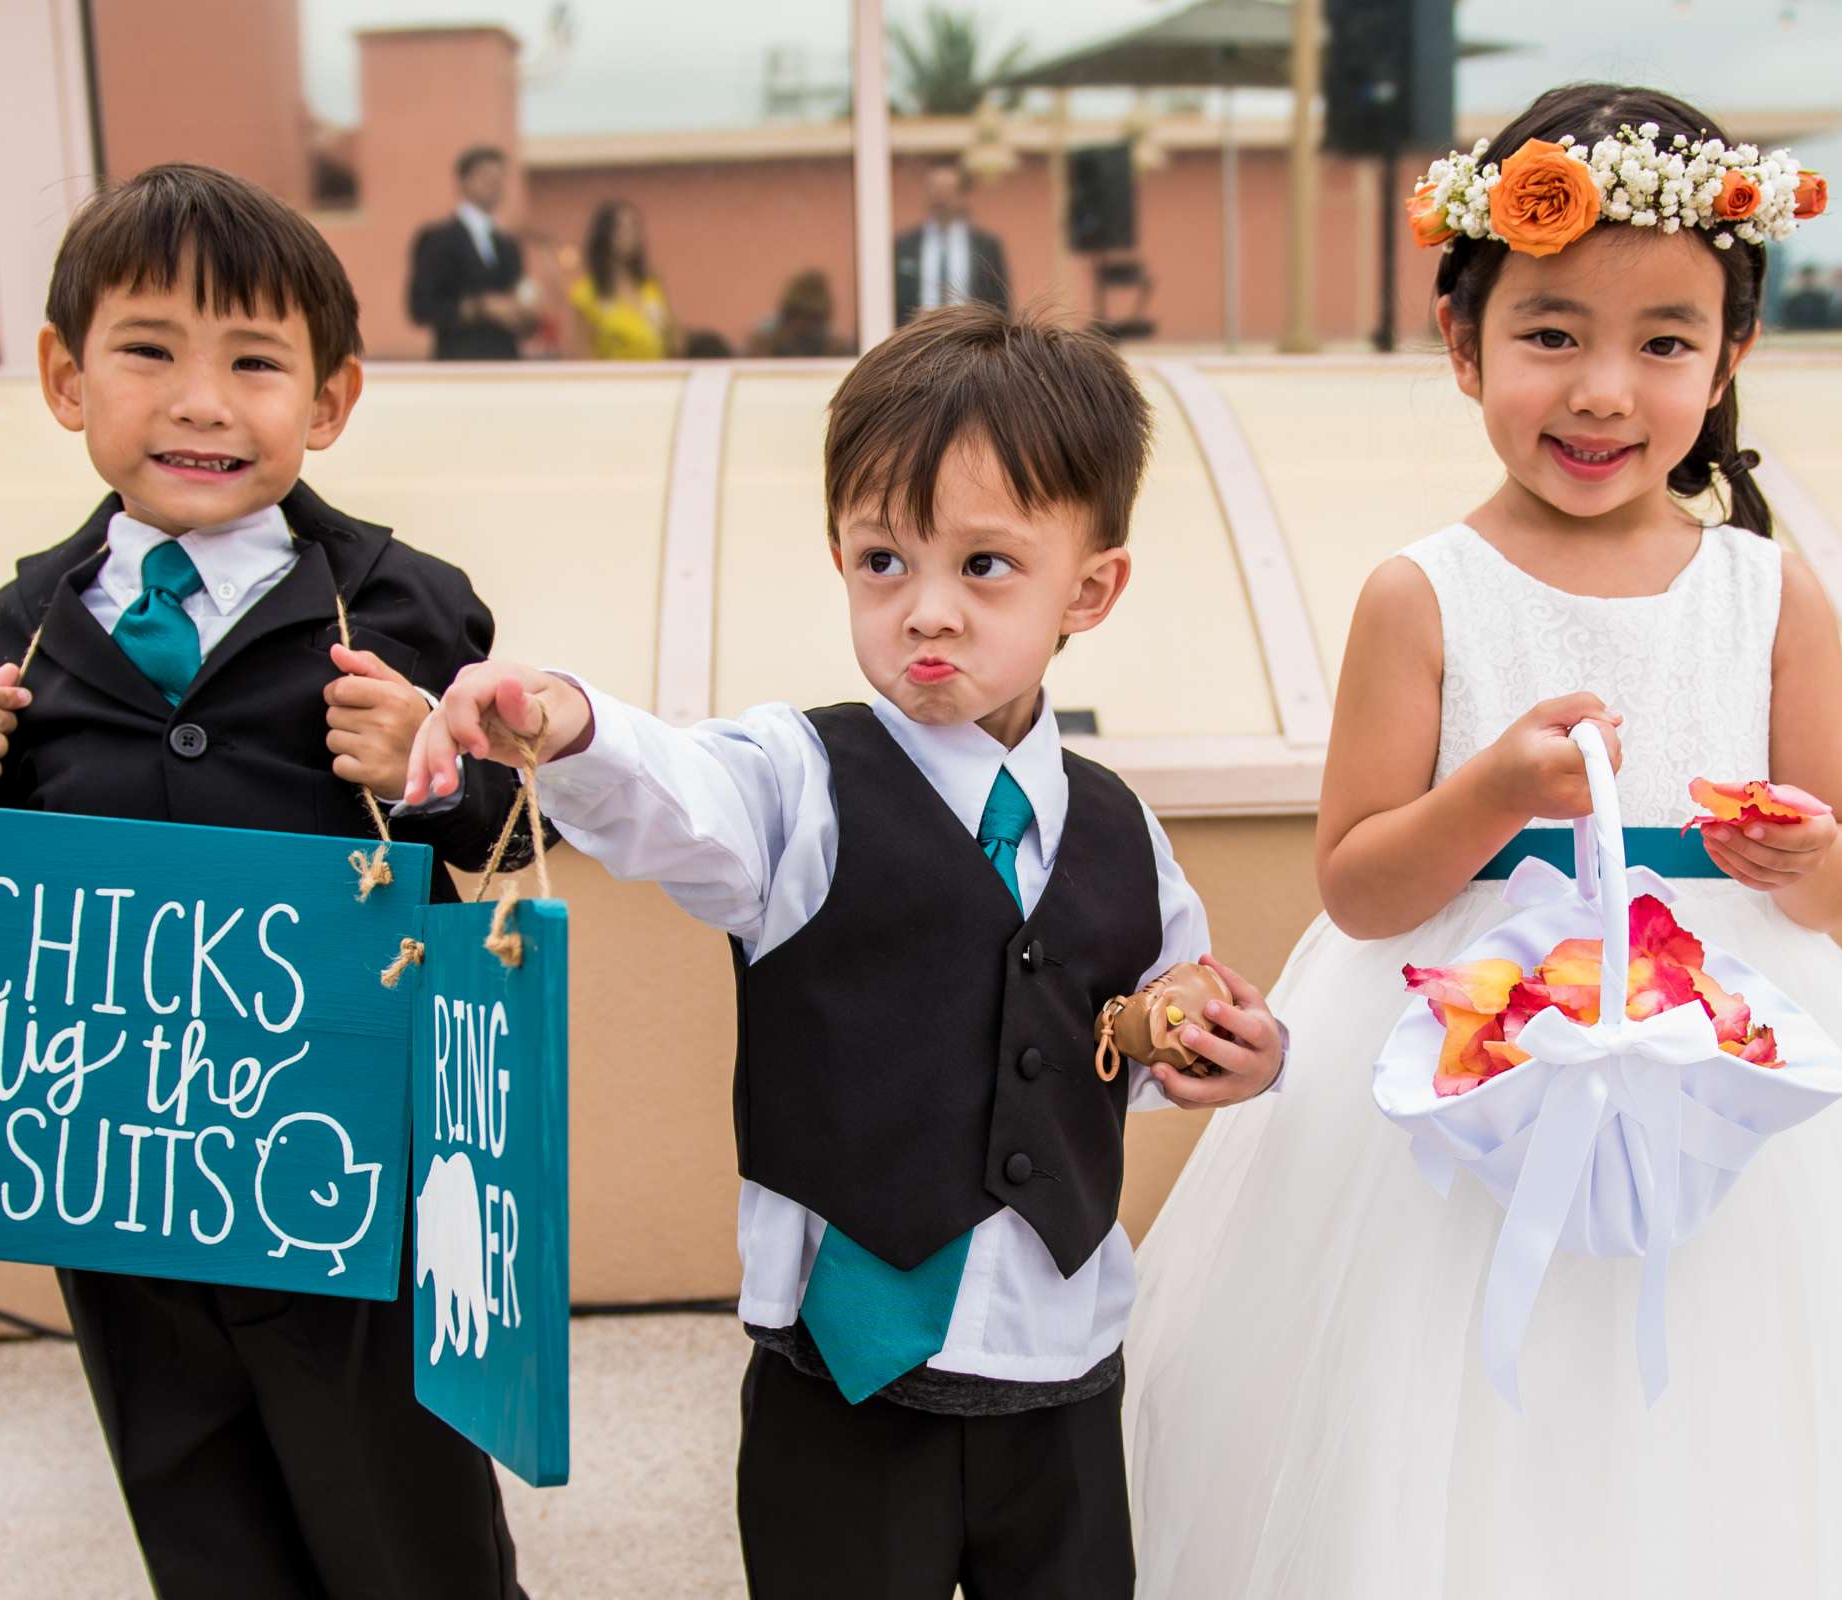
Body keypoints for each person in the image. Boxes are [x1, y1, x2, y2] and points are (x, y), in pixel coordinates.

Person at [1124, 84, 1842, 1597]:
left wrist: (1800, 857)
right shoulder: (1418, 594)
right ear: (1461, 342)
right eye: (1552, 334)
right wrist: (1493, 794)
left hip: (1726, 1044)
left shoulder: (1767, 593)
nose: (1603, 392)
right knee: (1445, 1405)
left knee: (1724, 1408)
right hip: (1448, 1059)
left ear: (1733, 355)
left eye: (1664, 343)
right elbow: (1358, 888)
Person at [406, 304, 1290, 1599]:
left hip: (1061, 1366)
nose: (925, 613)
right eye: (884, 562)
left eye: (985, 567)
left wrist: (1229, 1054)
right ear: (839, 556)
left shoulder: (1121, 827)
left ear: (1089, 588)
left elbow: (1137, 1029)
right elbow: (673, 789)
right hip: (847, 1383)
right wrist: (564, 717)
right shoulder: (797, 782)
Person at [0, 163, 533, 1600]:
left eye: (255, 362)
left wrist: (435, 765)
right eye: (149, 351)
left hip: (349, 1166)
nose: (202, 402)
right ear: (65, 377)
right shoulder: (14, 630)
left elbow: (497, 847)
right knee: (201, 1511)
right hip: (122, 1180)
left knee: (403, 1517)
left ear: (332, 399)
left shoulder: (409, 603)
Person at [408, 146, 531, 360]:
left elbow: (521, 311)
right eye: (485, 175)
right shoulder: (438, 239)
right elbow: (421, 307)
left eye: (499, 177)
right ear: (464, 181)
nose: (494, 184)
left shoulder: (508, 244)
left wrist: (526, 312)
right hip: (459, 363)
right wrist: (482, 307)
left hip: (506, 363)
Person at [893, 164, 1009, 322]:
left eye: (947, 190)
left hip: (969, 337)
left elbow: (1000, 302)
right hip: (915, 337)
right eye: (934, 189)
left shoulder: (986, 246)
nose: (940, 197)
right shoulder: (903, 245)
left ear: (963, 196)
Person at [566, 199, 677, 360]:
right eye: (622, 229)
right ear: (605, 235)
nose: (630, 236)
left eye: (634, 228)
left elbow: (674, 342)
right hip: (614, 380)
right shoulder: (586, 293)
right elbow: (582, 354)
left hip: (657, 376)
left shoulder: (650, 286)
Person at [747, 268, 848, 358]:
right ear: (789, 315)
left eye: (813, 319)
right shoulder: (764, 341)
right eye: (802, 317)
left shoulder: (831, 345)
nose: (806, 326)